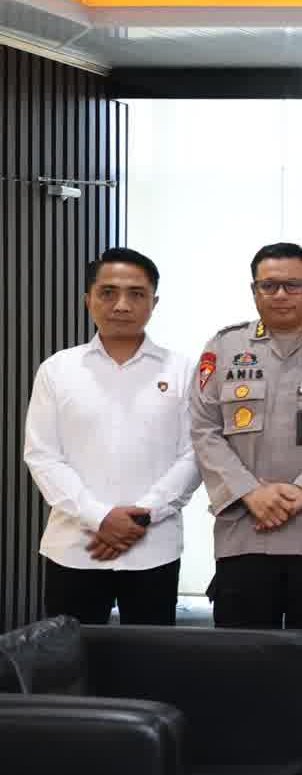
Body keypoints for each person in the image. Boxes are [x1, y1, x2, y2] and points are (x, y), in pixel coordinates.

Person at [189, 242, 302, 733]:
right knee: (243, 663)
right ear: (253, 291)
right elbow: (204, 429)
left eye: (293, 284)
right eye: (268, 285)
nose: (280, 294)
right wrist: (250, 492)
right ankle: (248, 763)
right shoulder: (223, 348)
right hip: (244, 533)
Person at [25, 247, 201, 627]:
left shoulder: (183, 370)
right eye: (108, 292)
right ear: (88, 299)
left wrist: (139, 518)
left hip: (153, 549)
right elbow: (42, 455)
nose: (122, 305)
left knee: (150, 657)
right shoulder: (57, 370)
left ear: (154, 302)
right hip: (75, 548)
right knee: (70, 657)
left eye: (136, 294)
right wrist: (100, 516)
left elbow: (194, 455)